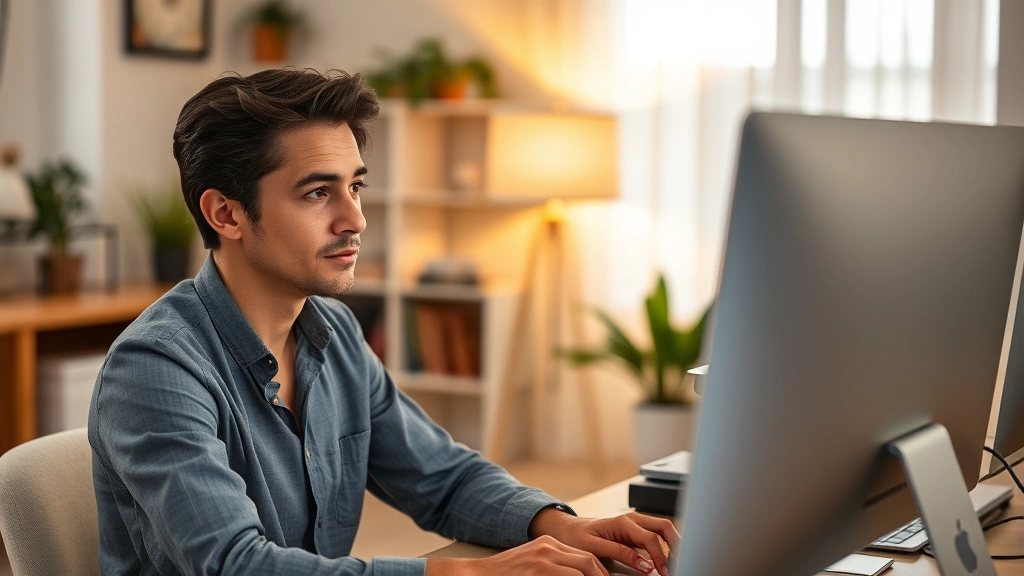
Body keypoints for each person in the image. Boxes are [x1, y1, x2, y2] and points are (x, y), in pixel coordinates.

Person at [88, 67, 678, 576]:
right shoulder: (155, 369)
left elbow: (442, 476)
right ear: (227, 214)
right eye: (318, 193)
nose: (356, 219)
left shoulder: (335, 334)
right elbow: (236, 564)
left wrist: (559, 524)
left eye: (356, 186)